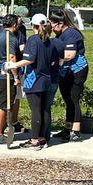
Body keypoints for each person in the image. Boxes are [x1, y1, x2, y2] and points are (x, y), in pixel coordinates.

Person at [5, 16, 62, 149]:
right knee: (44, 109)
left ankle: (35, 140)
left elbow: (29, 59)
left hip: (34, 79)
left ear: (33, 25)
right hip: (47, 79)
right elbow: (55, 62)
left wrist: (12, 65)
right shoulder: (51, 42)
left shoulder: (33, 40)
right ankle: (43, 138)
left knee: (36, 110)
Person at [49, 9, 88, 141]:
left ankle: (76, 130)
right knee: (67, 100)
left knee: (73, 99)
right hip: (65, 70)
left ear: (60, 23)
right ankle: (67, 128)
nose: (52, 28)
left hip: (77, 70)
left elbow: (70, 55)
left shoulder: (71, 34)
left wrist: (51, 57)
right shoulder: (60, 35)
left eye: (53, 25)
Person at [0, 15, 20, 145]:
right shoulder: (10, 38)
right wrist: (16, 76)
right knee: (2, 104)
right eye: (18, 24)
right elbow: (11, 58)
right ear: (14, 25)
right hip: (3, 76)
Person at [10, 6, 29, 131]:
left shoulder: (22, 28)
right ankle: (7, 122)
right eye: (22, 19)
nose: (22, 23)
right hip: (12, 65)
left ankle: (14, 121)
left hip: (20, 65)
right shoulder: (7, 30)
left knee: (17, 96)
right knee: (10, 96)